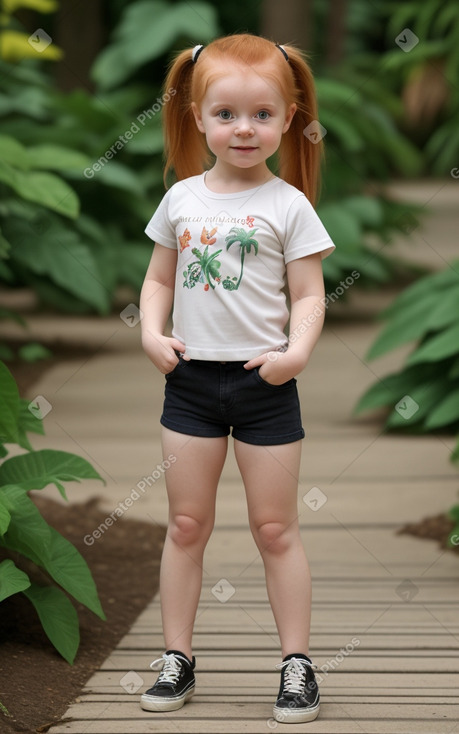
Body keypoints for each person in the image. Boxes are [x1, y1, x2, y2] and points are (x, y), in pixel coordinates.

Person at [139, 33, 335, 724]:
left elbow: (309, 295)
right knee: (186, 523)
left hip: (266, 388)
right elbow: (158, 278)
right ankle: (177, 658)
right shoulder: (181, 200)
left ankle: (296, 664)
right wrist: (149, 332)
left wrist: (295, 354)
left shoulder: (288, 206)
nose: (242, 129)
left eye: (260, 114)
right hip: (189, 384)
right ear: (197, 118)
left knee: (275, 527)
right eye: (225, 114)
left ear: (287, 118)